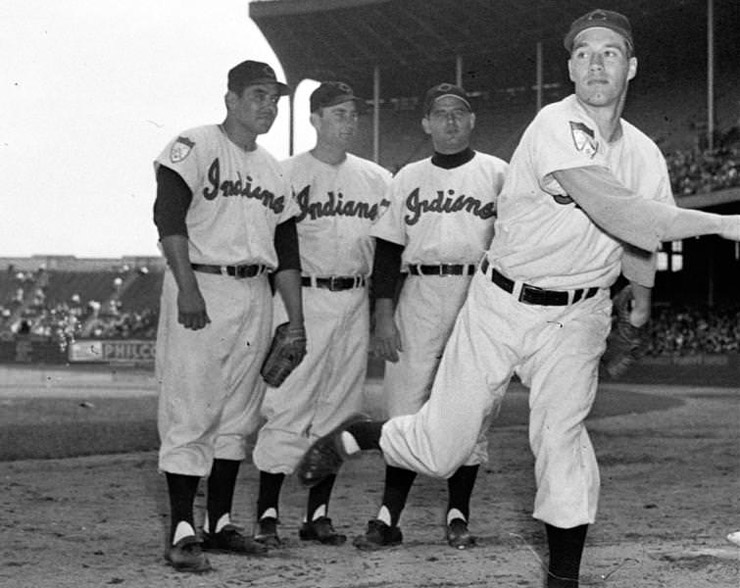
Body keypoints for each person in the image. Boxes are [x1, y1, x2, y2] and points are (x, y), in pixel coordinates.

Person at [296, 10, 740, 588]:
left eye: (610, 52)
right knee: (440, 450)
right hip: (500, 304)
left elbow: (638, 234)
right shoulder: (555, 124)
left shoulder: (645, 154)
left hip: (578, 316)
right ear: (571, 69)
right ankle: (361, 434)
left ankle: (563, 581)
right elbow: (620, 210)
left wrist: (642, 291)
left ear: (630, 66)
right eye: (584, 53)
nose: (596, 62)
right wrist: (727, 226)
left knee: (562, 441)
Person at [153, 60, 305, 573]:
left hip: (254, 295)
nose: (268, 105)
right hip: (202, 283)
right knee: (191, 409)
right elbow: (167, 218)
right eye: (259, 95)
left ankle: (217, 524)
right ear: (232, 100)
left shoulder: (272, 169)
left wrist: (297, 320)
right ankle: (181, 529)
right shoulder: (194, 145)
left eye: (275, 98)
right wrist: (188, 289)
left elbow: (287, 251)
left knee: (239, 417)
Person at [356, 83, 508, 551]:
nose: (449, 121)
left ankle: (458, 514)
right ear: (426, 123)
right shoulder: (407, 177)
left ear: (472, 121)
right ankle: (388, 517)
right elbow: (387, 252)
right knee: (403, 408)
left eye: (459, 113)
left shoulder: (498, 173)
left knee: (473, 410)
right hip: (419, 291)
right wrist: (383, 316)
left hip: (478, 294)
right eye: (439, 114)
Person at [250, 82, 392, 548]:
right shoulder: (286, 172)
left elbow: (386, 254)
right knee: (288, 405)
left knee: (340, 411)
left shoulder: (376, 178)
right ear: (315, 119)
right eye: (338, 113)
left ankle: (317, 516)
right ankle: (267, 515)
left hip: (353, 299)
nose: (349, 122)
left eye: (353, 114)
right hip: (303, 299)